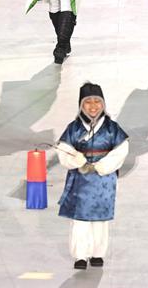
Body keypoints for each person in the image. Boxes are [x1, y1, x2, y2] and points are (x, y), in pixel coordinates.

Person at [54, 82, 129, 270]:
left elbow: (121, 150)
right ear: (81, 105)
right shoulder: (74, 128)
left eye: (97, 101)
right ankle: (81, 255)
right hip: (81, 179)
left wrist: (102, 166)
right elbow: (64, 149)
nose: (93, 106)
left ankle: (97, 253)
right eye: (88, 102)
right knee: (80, 218)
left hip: (104, 180)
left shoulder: (112, 128)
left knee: (100, 218)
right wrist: (79, 161)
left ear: (103, 104)